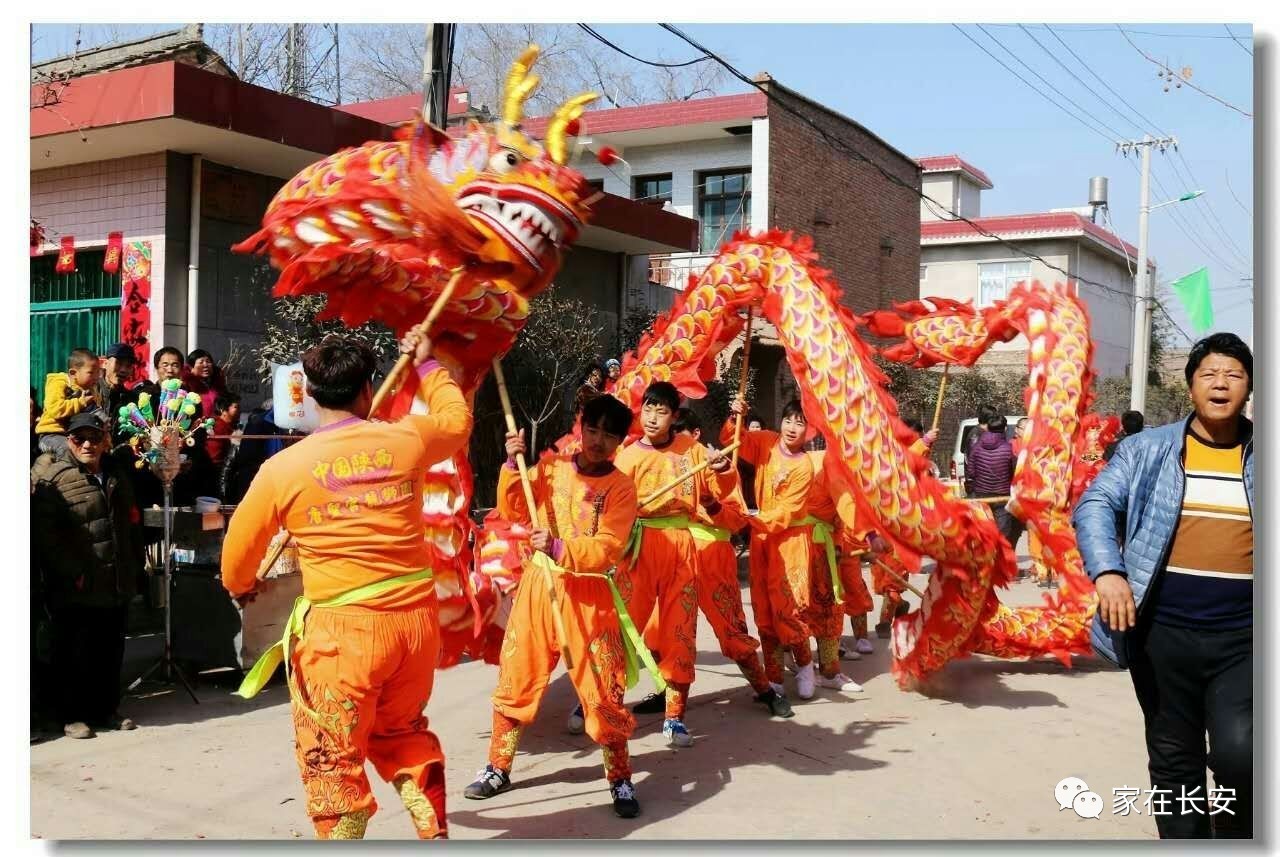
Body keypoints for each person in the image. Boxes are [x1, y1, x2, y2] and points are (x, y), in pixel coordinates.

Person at [221, 331, 472, 840]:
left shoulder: (282, 469)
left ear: (309, 394)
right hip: (413, 626)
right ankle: (433, 829)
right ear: (368, 388)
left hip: (341, 636)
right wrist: (427, 366)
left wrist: (244, 584)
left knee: (332, 760)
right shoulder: (407, 439)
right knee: (403, 734)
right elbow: (457, 422)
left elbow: (236, 562)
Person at [1074, 332, 1253, 840]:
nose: (1221, 384)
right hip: (1162, 634)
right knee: (1175, 759)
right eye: (1209, 374)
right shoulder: (1146, 449)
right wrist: (1108, 572)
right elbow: (1094, 505)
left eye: (1234, 375)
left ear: (1249, 387)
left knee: (1244, 757)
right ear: (1191, 385)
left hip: (1245, 638)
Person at [464, 395, 644, 818]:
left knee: (603, 691)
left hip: (590, 596)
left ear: (620, 440)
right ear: (580, 427)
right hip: (540, 589)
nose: (598, 441)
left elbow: (611, 546)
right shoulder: (550, 468)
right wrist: (512, 466)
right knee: (517, 676)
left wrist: (563, 547)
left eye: (609, 434)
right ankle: (498, 766)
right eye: (592, 430)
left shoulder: (621, 487)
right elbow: (514, 510)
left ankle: (619, 778)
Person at [633, 406, 794, 719]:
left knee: (732, 631)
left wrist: (711, 503)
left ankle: (765, 690)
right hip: (671, 554)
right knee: (659, 631)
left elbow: (736, 521)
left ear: (694, 437)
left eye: (677, 438)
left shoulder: (714, 466)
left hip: (713, 558)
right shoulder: (654, 461)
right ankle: (668, 694)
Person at [612, 381, 734, 747]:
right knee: (624, 626)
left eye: (661, 411)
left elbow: (717, 490)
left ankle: (675, 716)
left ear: (674, 416)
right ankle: (606, 700)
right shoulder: (628, 456)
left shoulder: (692, 451)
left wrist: (722, 468)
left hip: (681, 545)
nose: (652, 417)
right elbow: (612, 506)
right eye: (647, 409)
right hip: (639, 546)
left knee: (680, 628)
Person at [31, 412, 142, 739]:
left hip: (115, 580)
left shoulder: (116, 474)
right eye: (80, 439)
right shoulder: (57, 479)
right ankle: (72, 716)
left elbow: (129, 525)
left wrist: (135, 566)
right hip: (77, 583)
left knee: (109, 651)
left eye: (94, 437)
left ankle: (106, 710)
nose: (88, 445)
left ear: (106, 439)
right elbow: (47, 537)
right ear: (70, 441)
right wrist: (72, 573)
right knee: (73, 652)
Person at [725, 397, 819, 700]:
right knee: (764, 611)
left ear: (809, 430)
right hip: (763, 539)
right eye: (789, 420)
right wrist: (736, 415)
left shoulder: (804, 465)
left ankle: (805, 665)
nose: (792, 428)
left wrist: (754, 518)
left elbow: (789, 510)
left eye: (800, 423)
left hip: (790, 540)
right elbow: (733, 441)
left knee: (789, 610)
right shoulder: (766, 442)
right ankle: (775, 677)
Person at [964, 414, 1024, 564]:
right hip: (1002, 496)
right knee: (1003, 532)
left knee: (983, 530)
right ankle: (1000, 565)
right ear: (1004, 429)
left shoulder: (977, 447)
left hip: (981, 495)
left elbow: (971, 472)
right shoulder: (1008, 449)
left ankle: (983, 563)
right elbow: (1014, 471)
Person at [35, 348, 102, 453]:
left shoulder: (91, 390)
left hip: (76, 436)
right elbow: (55, 409)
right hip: (52, 435)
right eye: (91, 372)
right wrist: (81, 402)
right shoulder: (59, 383)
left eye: (98, 372)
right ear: (73, 373)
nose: (96, 377)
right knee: (69, 450)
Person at [96, 343, 140, 444]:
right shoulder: (90, 391)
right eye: (119, 363)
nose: (123, 370)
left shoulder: (132, 400)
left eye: (128, 366)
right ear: (105, 363)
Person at [183, 348, 229, 419]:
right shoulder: (186, 385)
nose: (205, 365)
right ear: (191, 367)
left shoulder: (218, 384)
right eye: (201, 362)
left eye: (208, 362)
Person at [205, 391, 242, 470]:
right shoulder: (218, 426)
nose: (240, 411)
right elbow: (215, 457)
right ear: (222, 410)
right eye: (236, 407)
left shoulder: (229, 426)